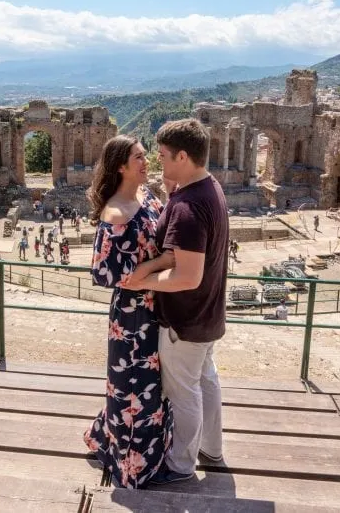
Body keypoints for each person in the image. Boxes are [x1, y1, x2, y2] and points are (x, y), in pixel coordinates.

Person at [122, 118, 228, 485]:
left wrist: (143, 280)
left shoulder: (188, 208)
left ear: (183, 155)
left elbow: (187, 276)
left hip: (185, 319)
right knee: (206, 381)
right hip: (209, 314)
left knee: (184, 393)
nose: (158, 162)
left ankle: (181, 465)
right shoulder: (209, 187)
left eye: (165, 156)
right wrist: (171, 194)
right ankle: (212, 449)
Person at [83, 135, 173, 489]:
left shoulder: (147, 195)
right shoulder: (116, 213)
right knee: (132, 387)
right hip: (133, 318)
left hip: (156, 306)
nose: (145, 160)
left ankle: (148, 449)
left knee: (154, 386)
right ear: (121, 165)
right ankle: (131, 463)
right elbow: (105, 273)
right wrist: (161, 264)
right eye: (138, 157)